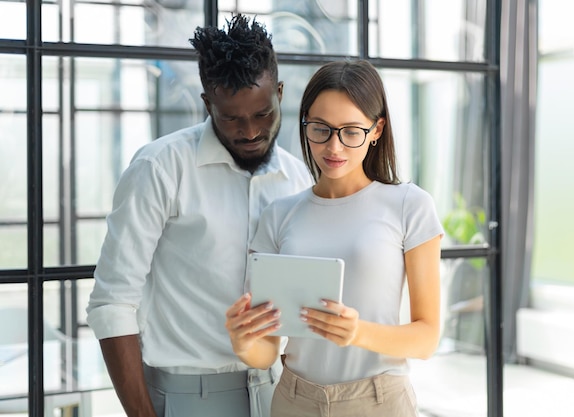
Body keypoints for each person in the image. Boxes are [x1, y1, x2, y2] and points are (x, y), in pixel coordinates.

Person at [86, 14, 312, 417]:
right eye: (231, 118)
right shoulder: (160, 167)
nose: (249, 131)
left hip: (277, 391)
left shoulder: (298, 179)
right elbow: (112, 302)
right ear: (208, 104)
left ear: (279, 92)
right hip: (186, 397)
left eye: (262, 114)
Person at [225, 60, 444, 417]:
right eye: (320, 129)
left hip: (379, 401)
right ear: (305, 123)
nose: (334, 147)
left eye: (351, 131)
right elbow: (267, 350)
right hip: (295, 399)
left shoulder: (410, 205)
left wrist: (356, 333)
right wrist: (242, 338)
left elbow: (426, 338)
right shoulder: (279, 215)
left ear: (377, 130)